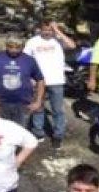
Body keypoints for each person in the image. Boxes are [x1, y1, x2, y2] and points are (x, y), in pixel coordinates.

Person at [23, 20, 77, 148]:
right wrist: (29, 77)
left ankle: (58, 135)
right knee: (38, 107)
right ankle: (38, 132)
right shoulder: (33, 42)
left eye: (50, 30)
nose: (47, 32)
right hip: (39, 80)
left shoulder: (58, 41)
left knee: (57, 109)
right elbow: (25, 59)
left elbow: (72, 46)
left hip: (56, 80)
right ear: (40, 29)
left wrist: (58, 31)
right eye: (45, 29)